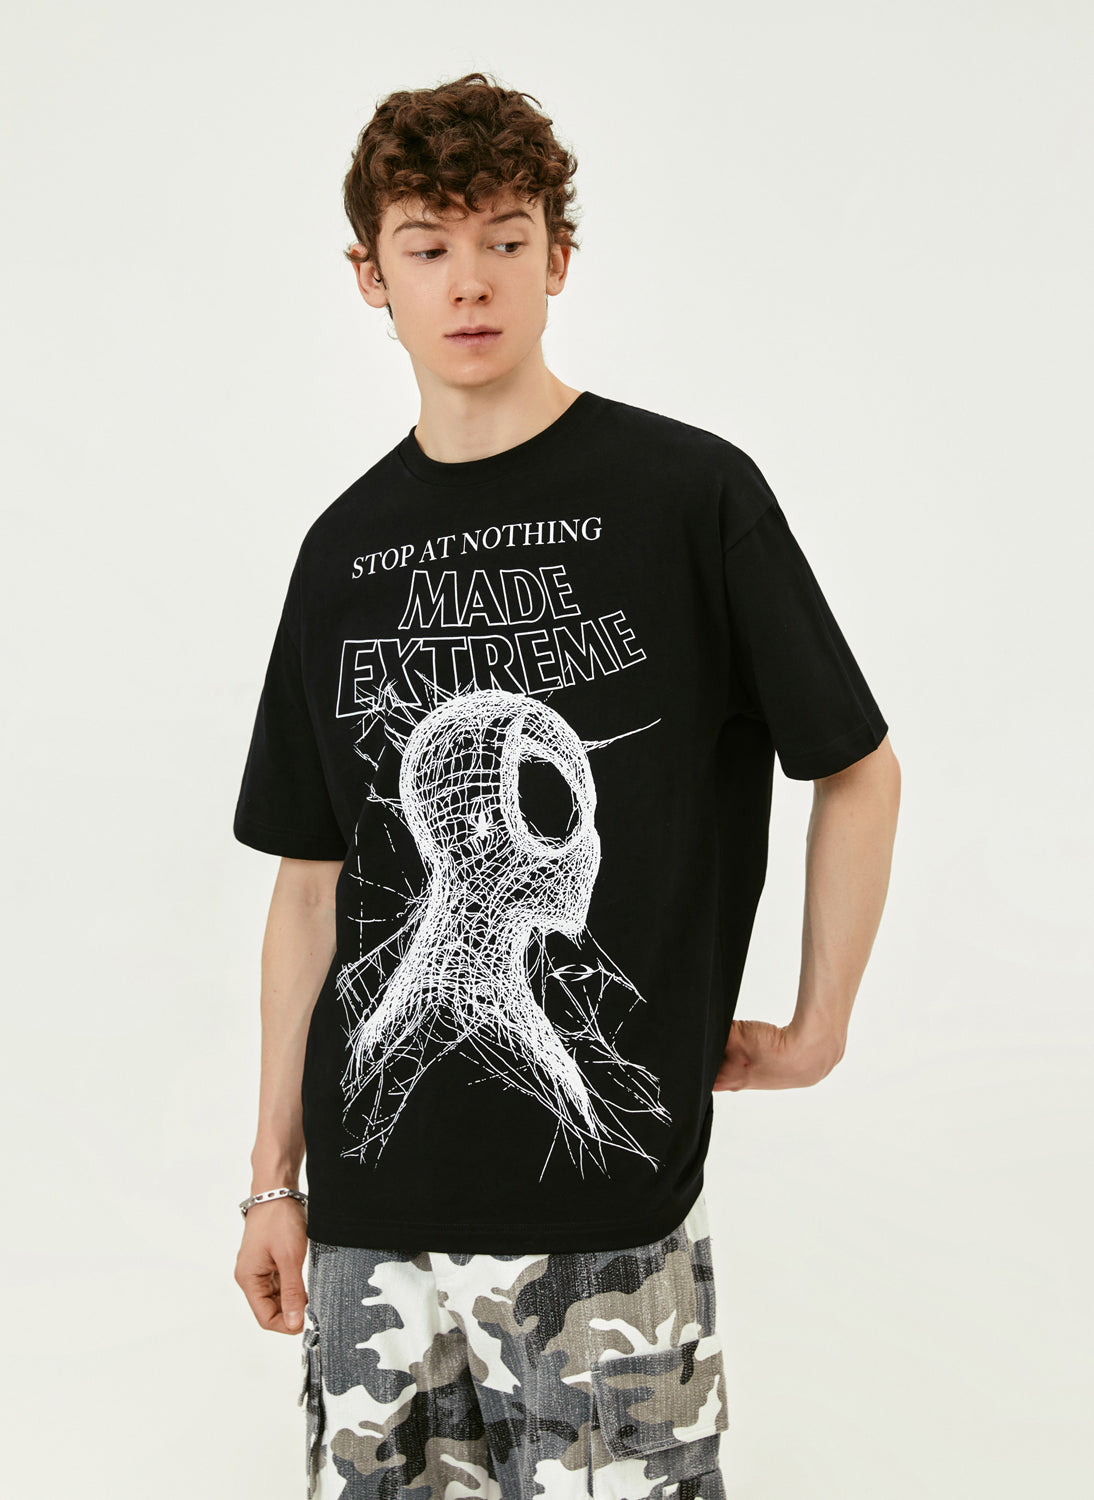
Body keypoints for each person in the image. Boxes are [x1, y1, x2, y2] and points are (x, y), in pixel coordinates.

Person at [231, 71, 901, 1500]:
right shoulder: (339, 552)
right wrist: (275, 1178)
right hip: (367, 1234)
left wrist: (821, 1025)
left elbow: (855, 766)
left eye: (505, 238)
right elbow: (311, 884)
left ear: (559, 259)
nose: (469, 280)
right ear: (370, 275)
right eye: (427, 244)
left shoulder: (689, 496)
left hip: (606, 1232)